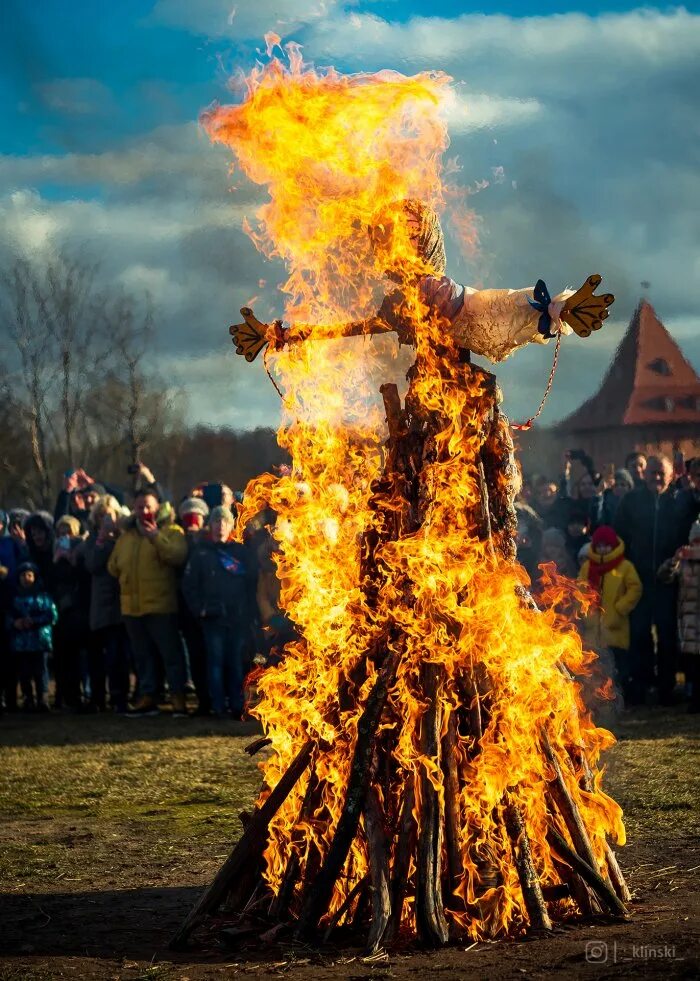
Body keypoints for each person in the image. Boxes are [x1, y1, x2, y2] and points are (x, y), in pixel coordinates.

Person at [108, 486, 189, 717]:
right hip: (132, 608)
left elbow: (177, 556)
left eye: (148, 506)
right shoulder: (128, 535)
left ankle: (178, 698)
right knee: (142, 657)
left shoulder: (172, 531)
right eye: (139, 506)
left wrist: (155, 537)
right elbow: (113, 565)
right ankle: (148, 697)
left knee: (170, 655)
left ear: (158, 508)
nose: (143, 510)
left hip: (161, 606)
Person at [614, 454, 685, 704]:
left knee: (667, 634)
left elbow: (687, 539)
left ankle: (666, 688)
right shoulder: (631, 502)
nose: (656, 477)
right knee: (640, 634)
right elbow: (618, 536)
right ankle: (641, 686)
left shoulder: (680, 501)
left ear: (671, 475)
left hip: (668, 580)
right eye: (652, 472)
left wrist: (675, 561)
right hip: (638, 579)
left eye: (661, 473)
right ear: (644, 474)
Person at [182, 505, 258, 719]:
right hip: (212, 618)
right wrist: (200, 610)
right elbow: (189, 586)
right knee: (214, 662)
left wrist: (248, 612)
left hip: (237, 618)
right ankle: (217, 705)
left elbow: (252, 581)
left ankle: (236, 705)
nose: (220, 526)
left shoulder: (240, 552)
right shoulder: (201, 553)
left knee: (235, 662)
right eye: (216, 521)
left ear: (231, 525)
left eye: (224, 521)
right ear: (210, 525)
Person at [579, 525, 643, 704]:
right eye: (599, 545)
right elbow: (579, 588)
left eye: (606, 545)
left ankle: (620, 701)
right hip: (593, 629)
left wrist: (620, 608)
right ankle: (600, 703)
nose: (603, 549)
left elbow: (635, 588)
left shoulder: (625, 566)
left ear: (614, 546)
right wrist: (584, 611)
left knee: (619, 668)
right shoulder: (587, 567)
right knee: (596, 669)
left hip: (616, 629)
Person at [81, 496, 131, 713]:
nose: (106, 519)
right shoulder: (93, 539)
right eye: (101, 515)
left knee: (119, 656)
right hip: (100, 606)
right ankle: (98, 698)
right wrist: (102, 540)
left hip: (121, 603)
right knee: (99, 657)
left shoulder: (124, 538)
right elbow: (91, 564)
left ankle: (120, 698)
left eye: (110, 514)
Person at [658, 520, 700, 714]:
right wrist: (674, 559)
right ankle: (693, 697)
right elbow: (664, 576)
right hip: (688, 618)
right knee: (690, 659)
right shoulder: (683, 560)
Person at [51, 515, 91, 710]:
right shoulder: (55, 550)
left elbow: (84, 578)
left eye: (68, 530)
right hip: (60, 609)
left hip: (79, 608)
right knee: (63, 656)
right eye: (61, 531)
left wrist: (73, 561)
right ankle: (66, 695)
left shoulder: (82, 548)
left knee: (79, 656)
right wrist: (56, 560)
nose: (64, 534)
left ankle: (82, 694)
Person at [7, 561, 58, 712]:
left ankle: (43, 698)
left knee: (41, 670)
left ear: (35, 577)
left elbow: (52, 615)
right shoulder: (14, 599)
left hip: (39, 640)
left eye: (29, 575)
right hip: (21, 642)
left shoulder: (43, 597)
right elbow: (8, 617)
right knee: (24, 671)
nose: (26, 578)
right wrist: (15, 623)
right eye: (23, 575)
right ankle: (28, 697)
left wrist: (35, 621)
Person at [177, 496, 212, 715]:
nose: (192, 522)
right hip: (187, 610)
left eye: (196, 517)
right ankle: (203, 701)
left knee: (212, 656)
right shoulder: (178, 541)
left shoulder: (208, 542)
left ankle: (217, 698)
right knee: (196, 656)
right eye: (187, 517)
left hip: (209, 610)